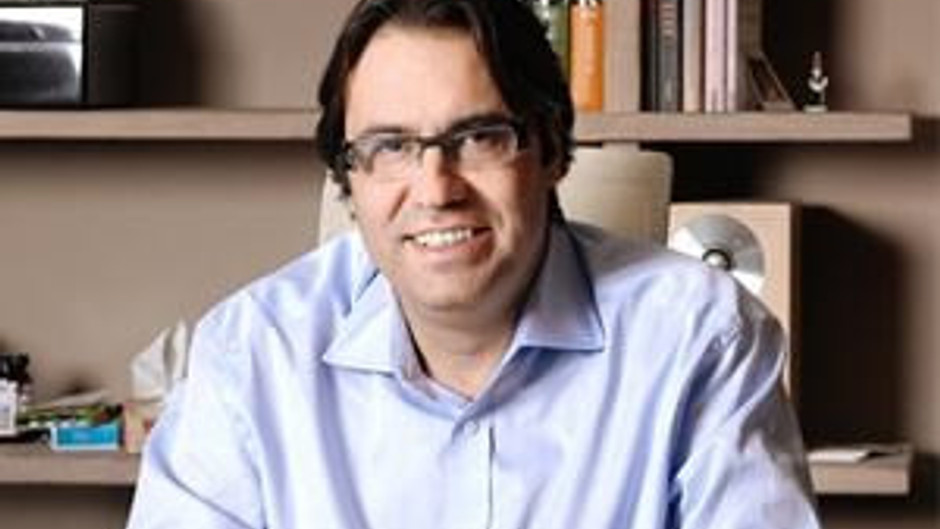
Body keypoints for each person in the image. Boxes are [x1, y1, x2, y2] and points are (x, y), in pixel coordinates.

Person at [127, 0, 821, 527]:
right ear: (350, 180)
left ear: (551, 150)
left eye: (480, 137)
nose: (436, 190)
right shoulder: (251, 355)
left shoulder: (701, 337)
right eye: (389, 147)